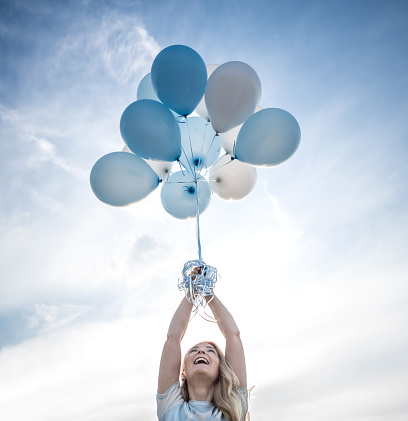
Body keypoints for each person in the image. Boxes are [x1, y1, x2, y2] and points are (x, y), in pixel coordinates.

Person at [157, 267, 248, 421]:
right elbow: (173, 337)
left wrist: (208, 292)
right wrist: (191, 290)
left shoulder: (234, 407)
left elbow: (233, 336)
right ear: (183, 372)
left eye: (210, 351)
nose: (201, 352)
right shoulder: (170, 406)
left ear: (221, 368)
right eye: (193, 350)